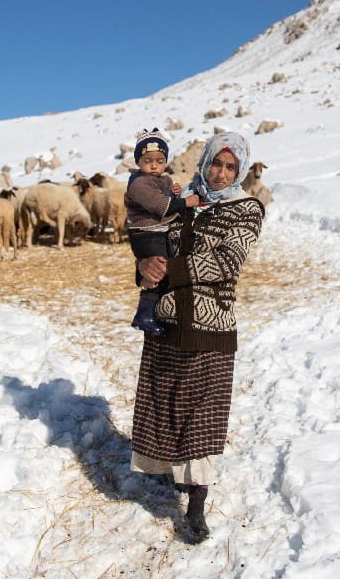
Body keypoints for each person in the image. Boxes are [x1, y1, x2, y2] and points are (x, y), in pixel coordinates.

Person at [129, 131, 265, 543]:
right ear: (203, 162)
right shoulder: (183, 201)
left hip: (211, 326)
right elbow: (153, 246)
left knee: (201, 416)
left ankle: (197, 504)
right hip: (167, 323)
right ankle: (171, 474)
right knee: (165, 403)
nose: (221, 173)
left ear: (239, 171)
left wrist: (169, 268)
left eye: (230, 167)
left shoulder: (247, 208)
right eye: (216, 164)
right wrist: (145, 267)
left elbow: (225, 261)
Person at [123, 128, 201, 337]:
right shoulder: (139, 183)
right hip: (147, 233)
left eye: (159, 160)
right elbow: (161, 206)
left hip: (158, 230)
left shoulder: (161, 179)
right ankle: (145, 315)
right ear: (138, 161)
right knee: (159, 269)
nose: (154, 165)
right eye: (148, 160)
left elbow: (164, 196)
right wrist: (186, 201)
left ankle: (153, 312)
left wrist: (172, 192)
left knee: (161, 269)